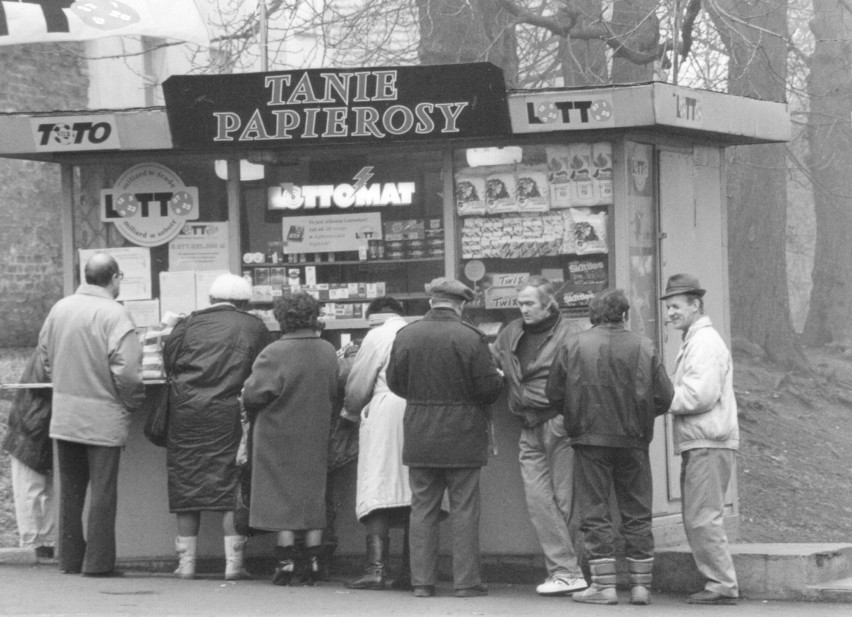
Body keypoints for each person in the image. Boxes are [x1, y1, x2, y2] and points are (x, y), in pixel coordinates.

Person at [547, 289, 673, 605]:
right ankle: (641, 586)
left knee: (595, 510)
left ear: (594, 315)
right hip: (633, 440)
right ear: (624, 314)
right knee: (637, 511)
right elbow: (664, 396)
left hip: (589, 439)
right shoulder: (644, 346)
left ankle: (604, 587)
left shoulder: (573, 343)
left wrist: (575, 414)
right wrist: (641, 416)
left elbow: (554, 393)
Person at [387, 278, 503, 598]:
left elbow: (395, 383)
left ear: (431, 302)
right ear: (460, 304)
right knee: (465, 508)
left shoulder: (406, 335)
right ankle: (466, 582)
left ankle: (422, 582)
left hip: (420, 431)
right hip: (463, 433)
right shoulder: (470, 337)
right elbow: (488, 390)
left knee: (422, 507)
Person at [37, 252, 145, 576]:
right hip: (103, 418)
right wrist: (131, 401)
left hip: (65, 415)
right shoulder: (116, 315)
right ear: (114, 278)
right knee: (102, 493)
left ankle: (69, 559)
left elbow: (44, 357)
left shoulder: (60, 308)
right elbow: (127, 372)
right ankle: (97, 564)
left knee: (70, 493)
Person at [162, 273, 268, 581]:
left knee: (186, 483)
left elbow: (169, 363)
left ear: (211, 299)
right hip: (229, 414)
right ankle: (233, 565)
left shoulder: (187, 324)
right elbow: (264, 367)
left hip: (187, 413)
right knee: (229, 485)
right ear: (243, 302)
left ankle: (186, 565)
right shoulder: (254, 327)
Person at [490, 276, 587, 597]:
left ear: (548, 304)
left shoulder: (571, 334)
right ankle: (568, 571)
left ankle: (565, 572)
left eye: (529, 303)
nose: (523, 309)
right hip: (527, 424)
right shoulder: (511, 332)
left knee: (564, 500)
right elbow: (493, 361)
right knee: (538, 499)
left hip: (560, 422)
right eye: (520, 303)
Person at [241, 292, 339, 586]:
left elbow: (253, 394)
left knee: (281, 494)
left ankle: (285, 562)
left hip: (277, 432)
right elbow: (337, 386)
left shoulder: (274, 353)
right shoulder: (326, 350)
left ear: (282, 318)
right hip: (316, 431)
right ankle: (312, 560)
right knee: (312, 494)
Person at [662, 273, 740, 605]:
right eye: (668, 307)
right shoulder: (697, 340)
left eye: (676, 306)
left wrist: (661, 396)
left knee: (703, 515)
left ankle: (722, 585)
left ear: (696, 305)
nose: (670, 314)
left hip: (708, 442)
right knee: (700, 514)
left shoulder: (704, 343)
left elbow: (699, 396)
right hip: (705, 441)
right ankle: (719, 582)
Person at [345, 297, 413, 591]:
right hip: (419, 411)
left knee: (377, 485)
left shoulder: (376, 335)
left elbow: (359, 384)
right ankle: (414, 569)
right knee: (415, 489)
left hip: (385, 411)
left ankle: (377, 568)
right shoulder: (415, 331)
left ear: (374, 317)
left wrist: (349, 411)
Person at [2, 350, 55, 560]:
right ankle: (40, 541)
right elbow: (42, 385)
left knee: (35, 488)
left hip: (32, 424)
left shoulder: (46, 347)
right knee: (34, 488)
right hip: (34, 425)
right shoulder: (47, 350)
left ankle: (42, 541)